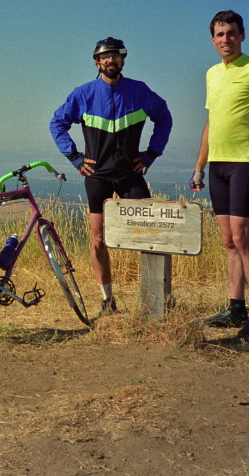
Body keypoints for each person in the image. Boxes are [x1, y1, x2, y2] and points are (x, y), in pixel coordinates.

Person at [50, 37, 173, 315]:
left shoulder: (139, 91)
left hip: (131, 174)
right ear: (97, 62)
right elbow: (57, 122)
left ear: (122, 60)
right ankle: (108, 301)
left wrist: (152, 153)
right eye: (105, 57)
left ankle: (157, 301)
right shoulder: (83, 94)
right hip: (98, 176)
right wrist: (74, 157)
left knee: (151, 234)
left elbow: (164, 117)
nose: (110, 60)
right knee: (97, 240)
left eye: (115, 56)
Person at [190, 10, 249, 339]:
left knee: (242, 238)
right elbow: (211, 123)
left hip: (245, 162)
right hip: (218, 165)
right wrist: (200, 166)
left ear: (242, 35)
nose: (225, 39)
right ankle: (235, 307)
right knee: (228, 241)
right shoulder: (212, 74)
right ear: (212, 40)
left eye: (231, 33)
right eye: (219, 34)